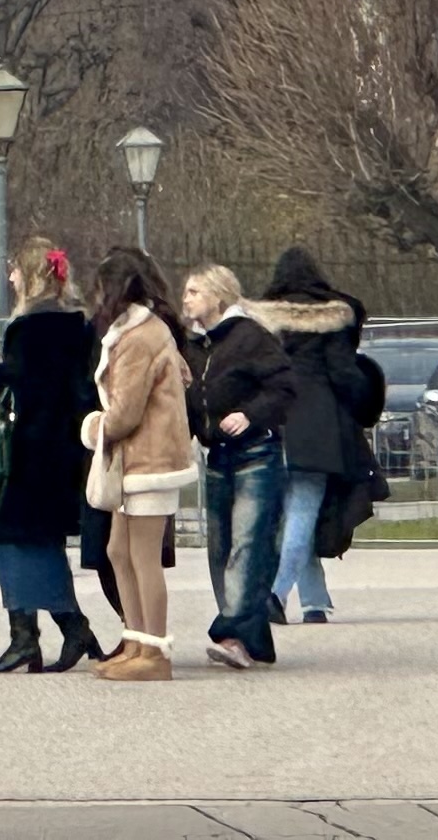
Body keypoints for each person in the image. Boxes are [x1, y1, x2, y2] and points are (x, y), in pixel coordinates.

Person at [0, 241, 101, 674]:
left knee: (11, 535)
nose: (10, 278)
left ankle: (32, 636)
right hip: (64, 448)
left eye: (15, 271)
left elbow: (20, 390)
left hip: (29, 449)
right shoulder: (77, 324)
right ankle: (66, 629)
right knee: (42, 539)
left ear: (30, 275)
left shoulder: (28, 328)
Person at [249, 250, 380, 628]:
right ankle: (276, 594)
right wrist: (365, 401)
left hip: (271, 420)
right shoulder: (332, 318)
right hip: (317, 425)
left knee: (292, 515)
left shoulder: (260, 320)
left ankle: (314, 602)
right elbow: (344, 374)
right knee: (303, 512)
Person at [84, 250, 193, 680]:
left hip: (150, 458)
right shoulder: (139, 331)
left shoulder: (139, 337)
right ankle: (136, 640)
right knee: (118, 550)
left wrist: (93, 427)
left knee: (143, 555)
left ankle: (155, 652)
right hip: (135, 459)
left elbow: (126, 412)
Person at [180, 263, 295, 670]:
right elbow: (196, 400)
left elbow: (285, 387)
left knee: (247, 546)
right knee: (220, 549)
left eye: (194, 291)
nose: (186, 299)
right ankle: (254, 639)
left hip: (256, 455)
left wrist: (250, 414)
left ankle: (230, 633)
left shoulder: (251, 337)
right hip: (218, 456)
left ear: (218, 295)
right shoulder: (196, 346)